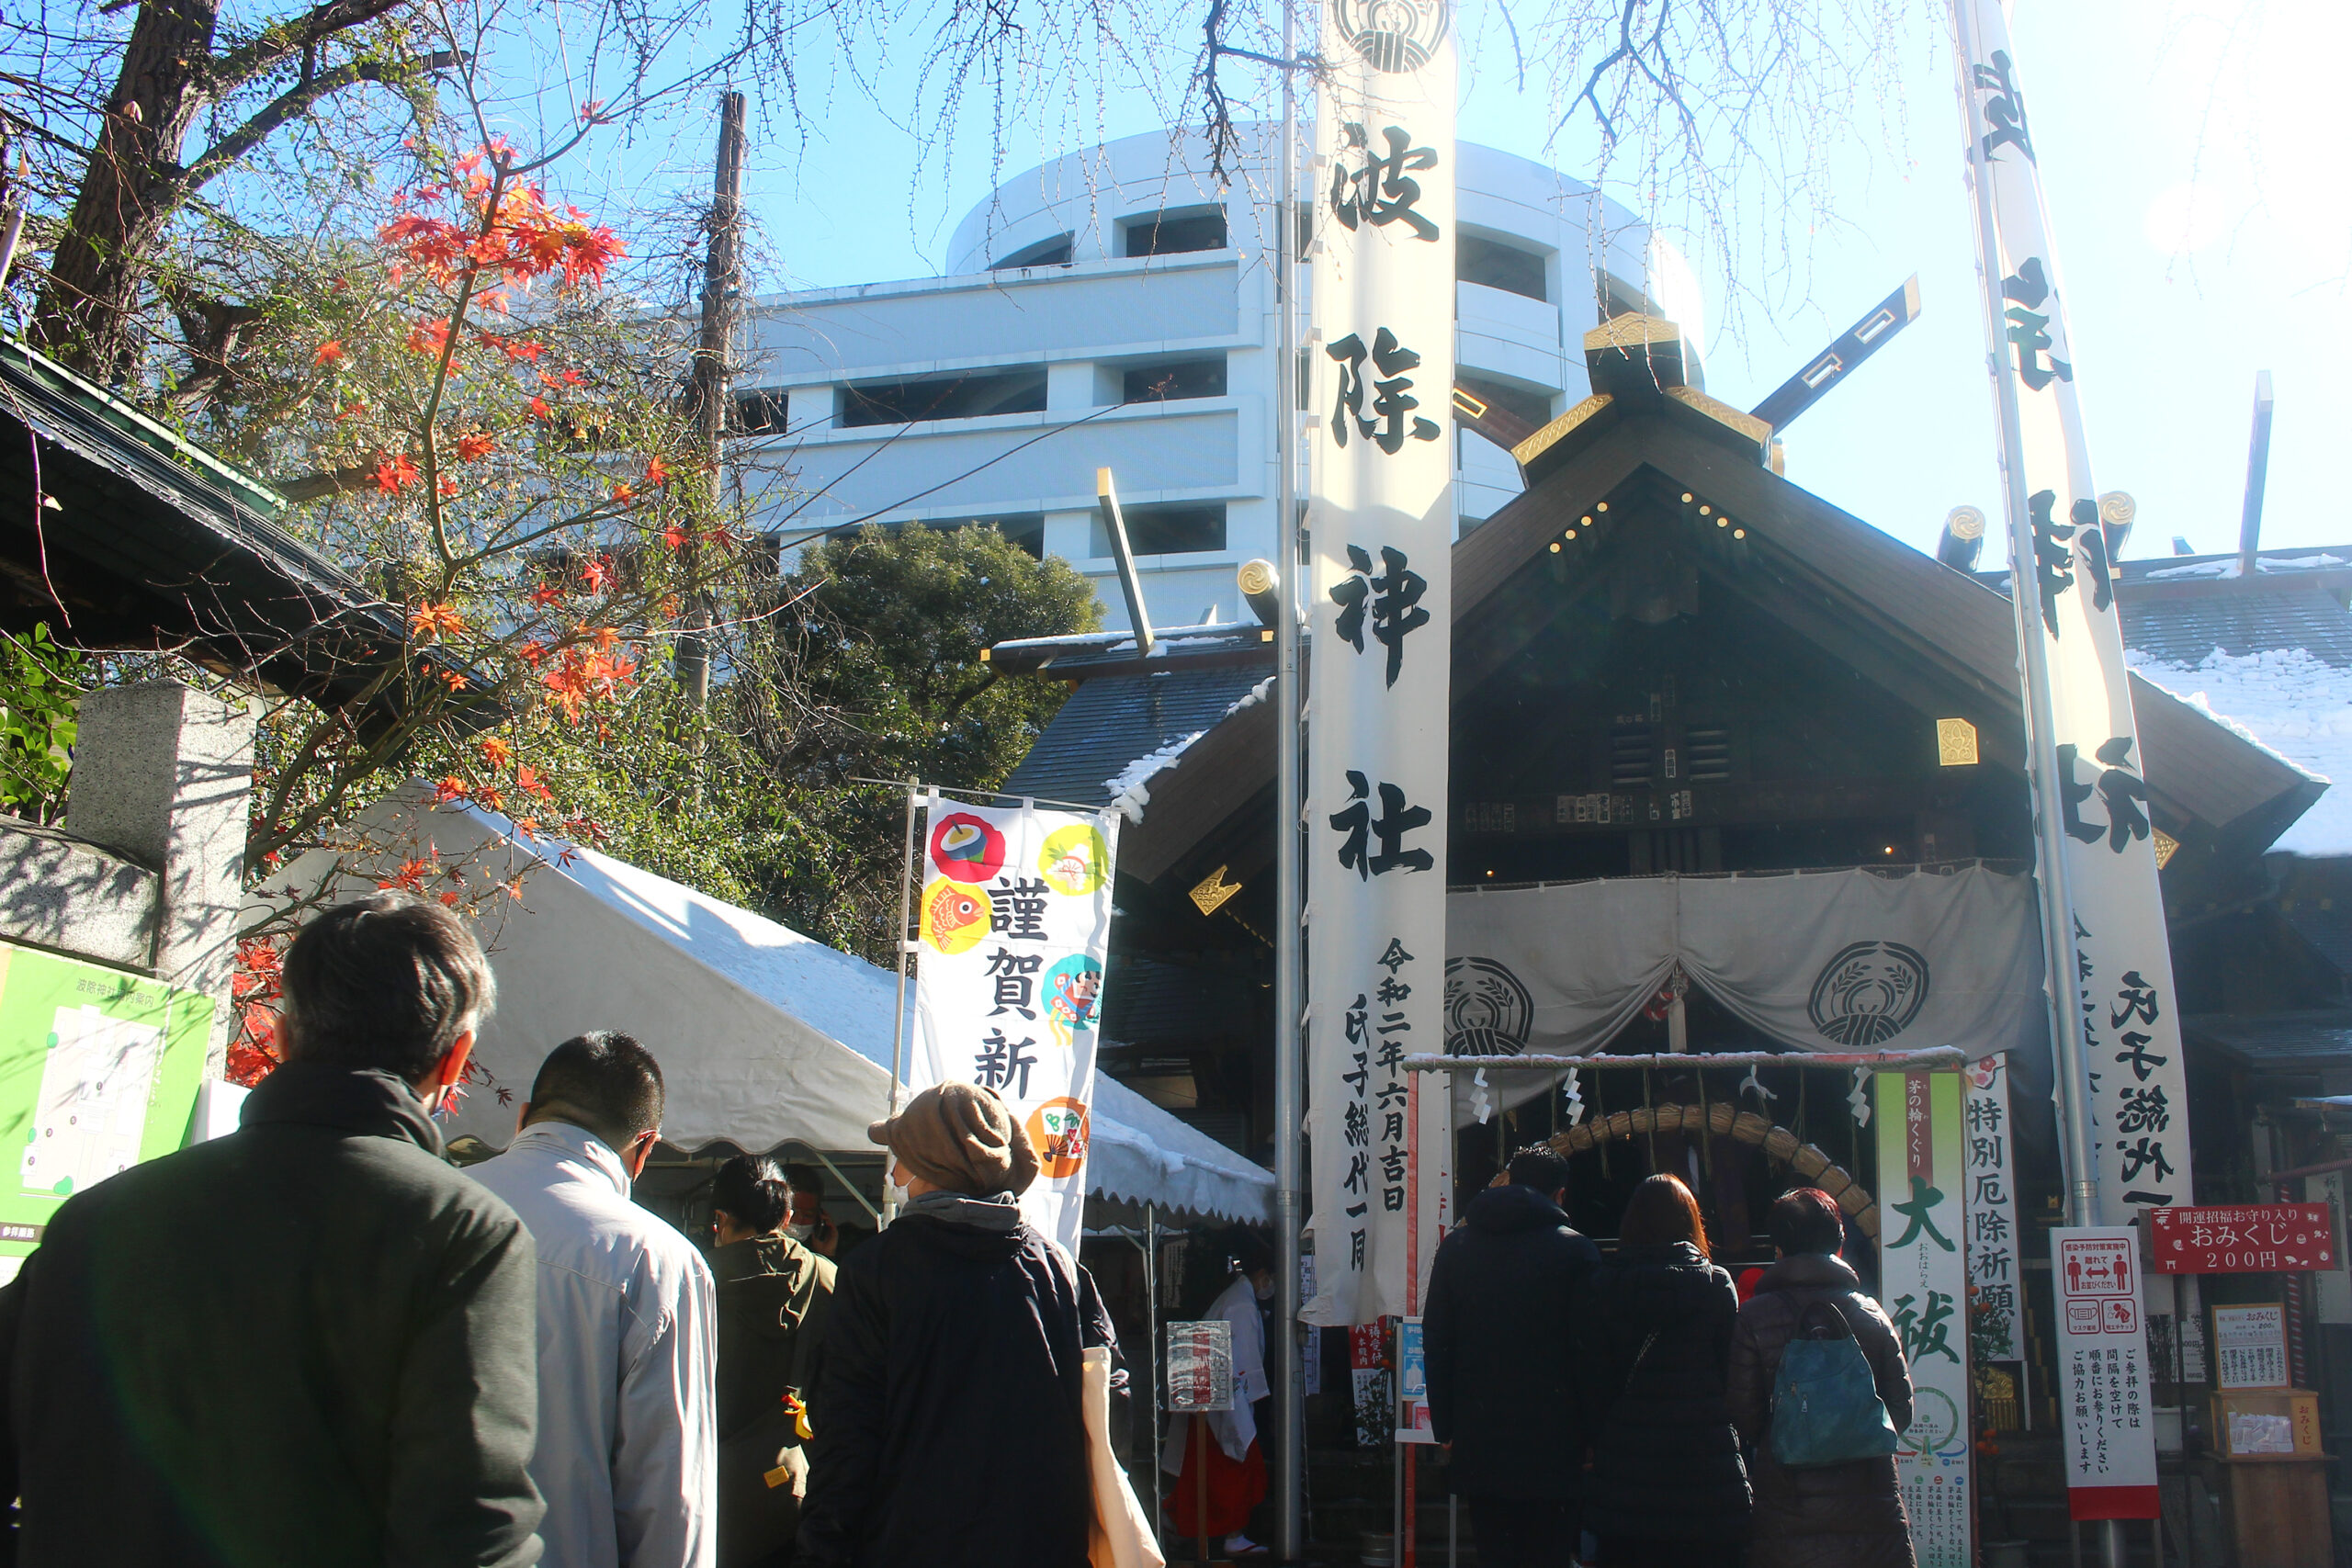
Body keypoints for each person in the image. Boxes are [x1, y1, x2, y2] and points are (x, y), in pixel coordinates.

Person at [0, 890, 545, 1564]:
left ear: (283, 1036)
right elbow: (469, 1531)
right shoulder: (463, 1234)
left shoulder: (92, 1220)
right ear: (455, 1059)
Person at [797, 1082, 1119, 1568]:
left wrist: (822, 1550)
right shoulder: (1060, 1270)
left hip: (912, 1544)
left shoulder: (876, 1270)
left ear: (926, 1165)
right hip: (1045, 1541)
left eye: (902, 1157)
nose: (895, 1172)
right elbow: (1111, 1408)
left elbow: (847, 1434)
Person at [472, 1032, 718, 1568]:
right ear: (645, 1148)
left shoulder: (430, 1208)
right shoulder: (657, 1258)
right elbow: (669, 1492)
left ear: (523, 1116)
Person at [1423, 1145, 1602, 1568]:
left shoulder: (1456, 1248)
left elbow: (1437, 1339)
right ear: (1560, 1194)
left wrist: (1445, 1425)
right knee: (1549, 1552)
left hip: (1479, 1430)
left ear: (1509, 1182)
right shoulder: (1576, 1252)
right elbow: (1592, 1351)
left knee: (1494, 1551)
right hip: (1556, 1436)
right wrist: (1594, 1433)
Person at [1724, 1188, 1916, 1568]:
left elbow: (1744, 1415)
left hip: (1787, 1505)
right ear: (1839, 1244)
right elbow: (1900, 1410)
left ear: (1779, 1249)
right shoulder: (1871, 1314)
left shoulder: (1754, 1317)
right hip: (1870, 1506)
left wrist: (1793, 1433)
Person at [1572, 1173, 1752, 1567]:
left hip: (1627, 1468)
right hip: (1705, 1464)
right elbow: (1731, 1374)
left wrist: (1601, 1439)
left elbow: (1593, 1379)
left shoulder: (1603, 1286)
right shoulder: (1715, 1285)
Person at [709, 1155, 835, 1568]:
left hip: (701, 1484)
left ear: (719, 1218)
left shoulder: (692, 1276)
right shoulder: (825, 1277)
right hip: (790, 1489)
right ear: (786, 1216)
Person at [1165, 1231, 1274, 1559]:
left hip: (1209, 1394)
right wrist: (1254, 1396)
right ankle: (1233, 1532)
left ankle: (1187, 1525)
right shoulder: (1241, 1303)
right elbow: (1246, 1359)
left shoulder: (1233, 1297)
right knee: (1236, 1469)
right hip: (1227, 1399)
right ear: (1262, 1274)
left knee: (1205, 1470)